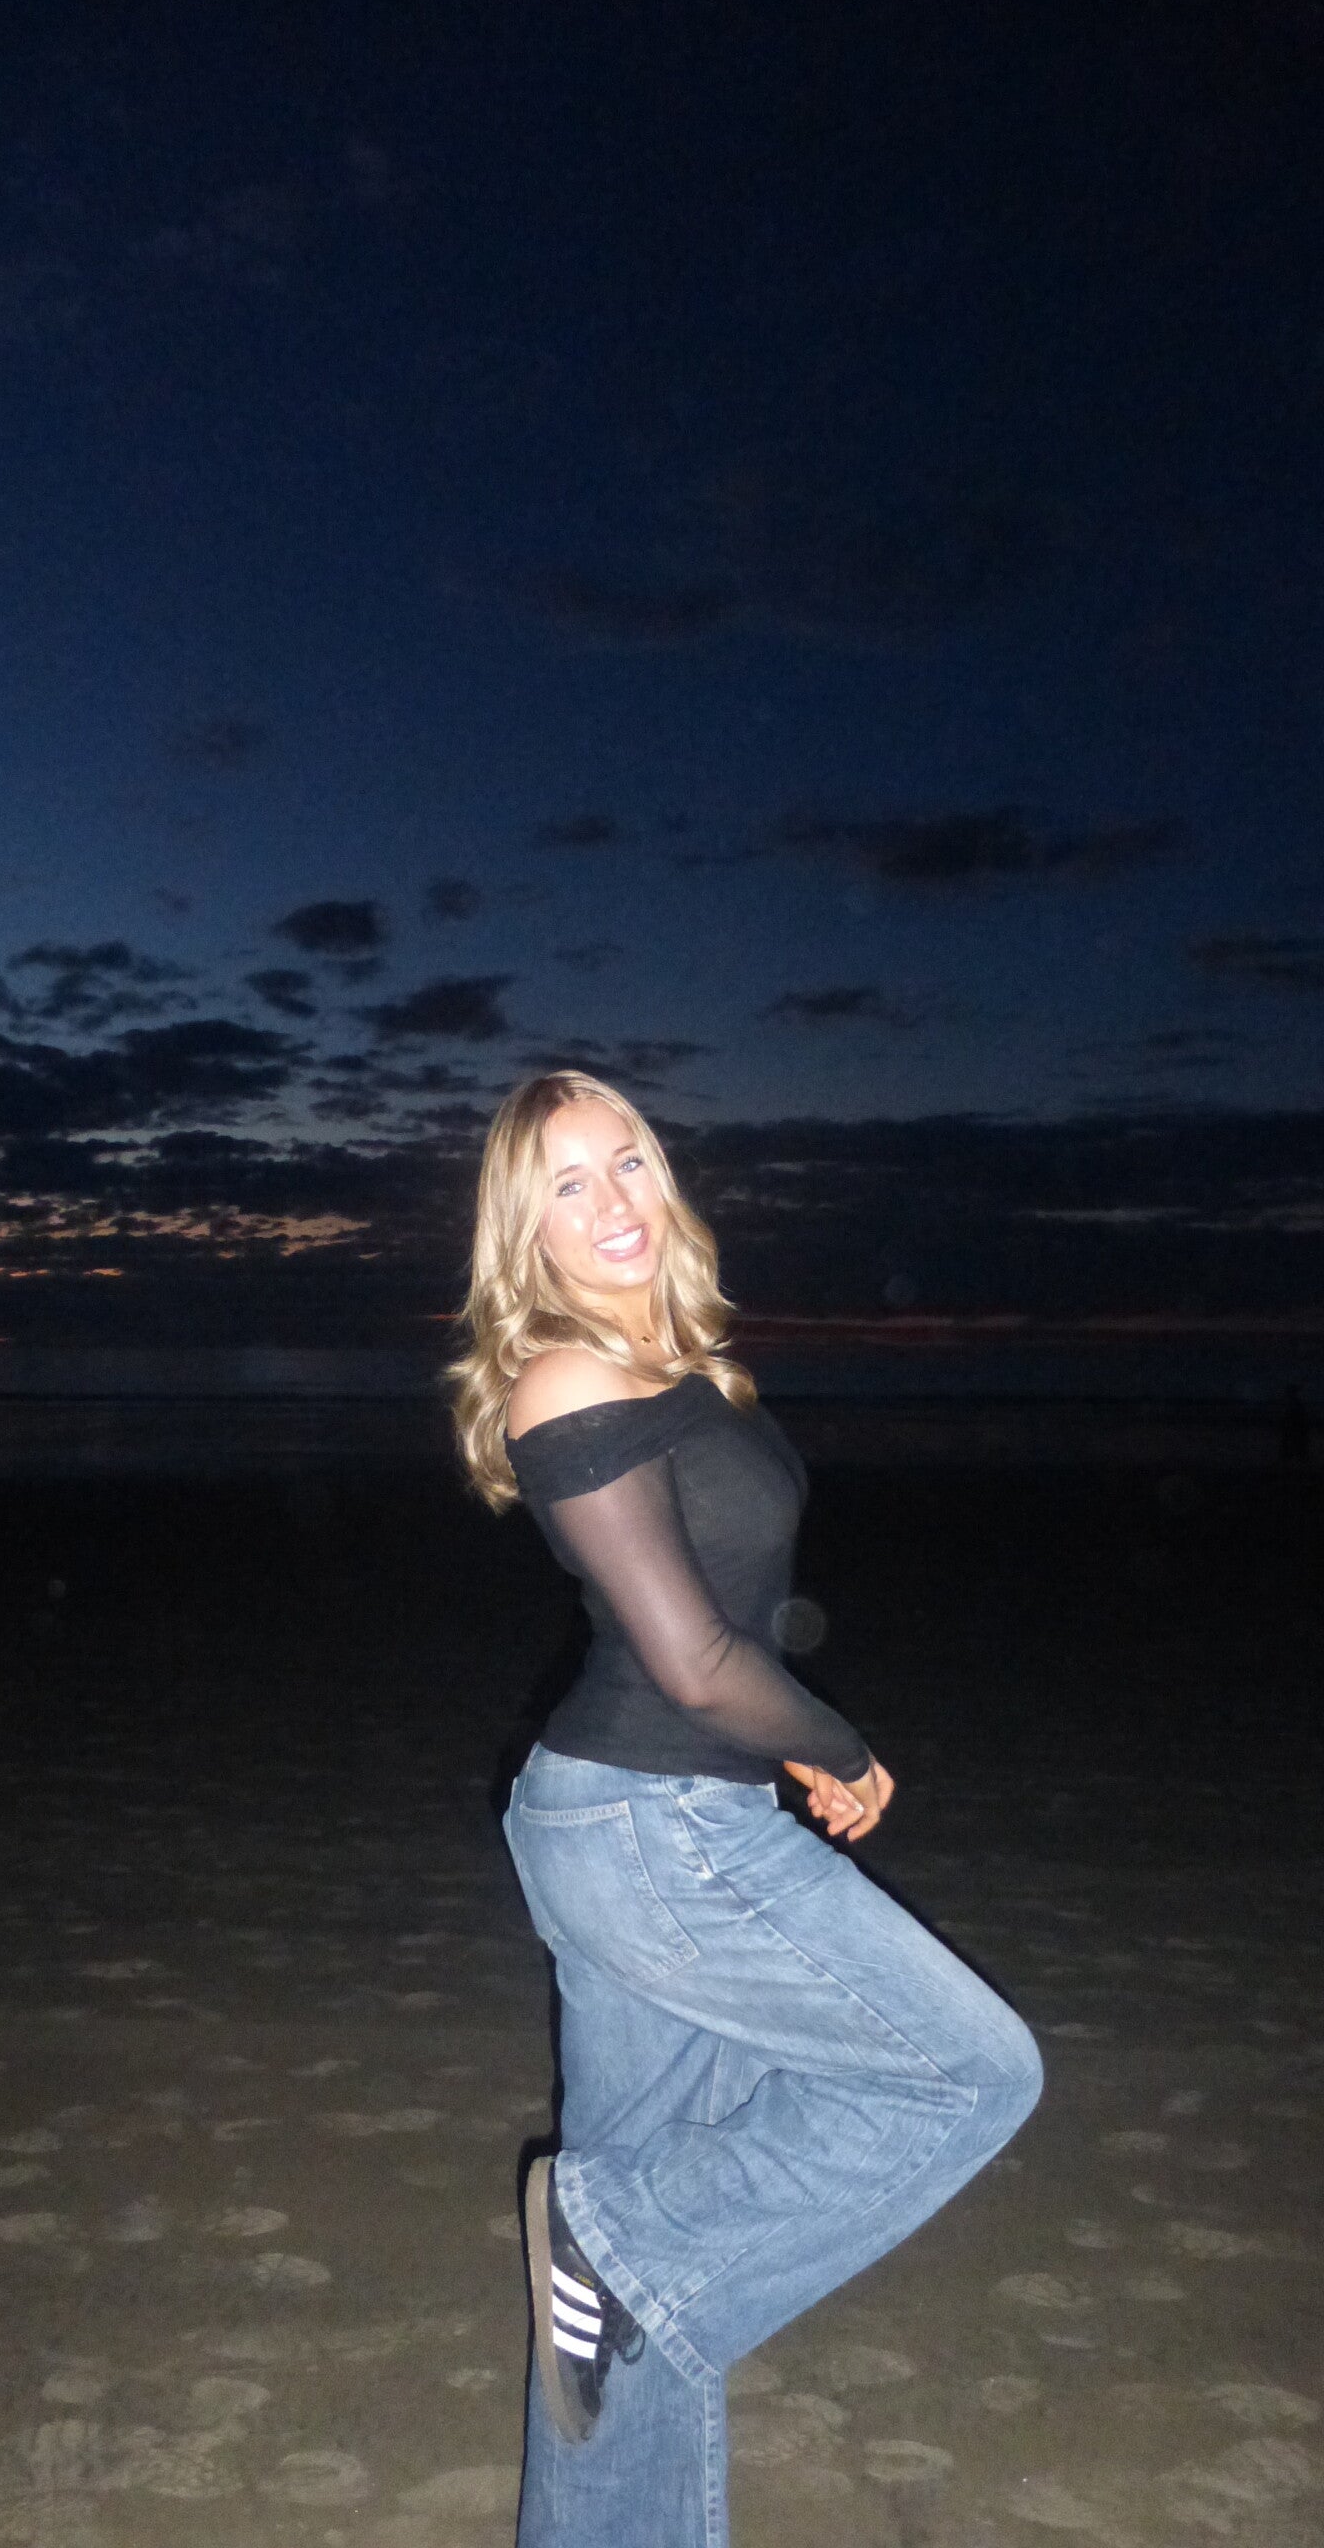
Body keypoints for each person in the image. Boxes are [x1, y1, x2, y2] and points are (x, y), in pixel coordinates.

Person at [446, 1070, 1042, 2548]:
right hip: (654, 1829)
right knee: (971, 2075)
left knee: (614, 2333)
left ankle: (615, 2258)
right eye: (567, 1185)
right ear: (525, 1233)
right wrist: (836, 1745)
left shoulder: (680, 1370)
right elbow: (697, 1662)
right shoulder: (564, 1381)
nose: (612, 1202)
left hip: (655, 1822)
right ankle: (621, 2241)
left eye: (627, 1161)